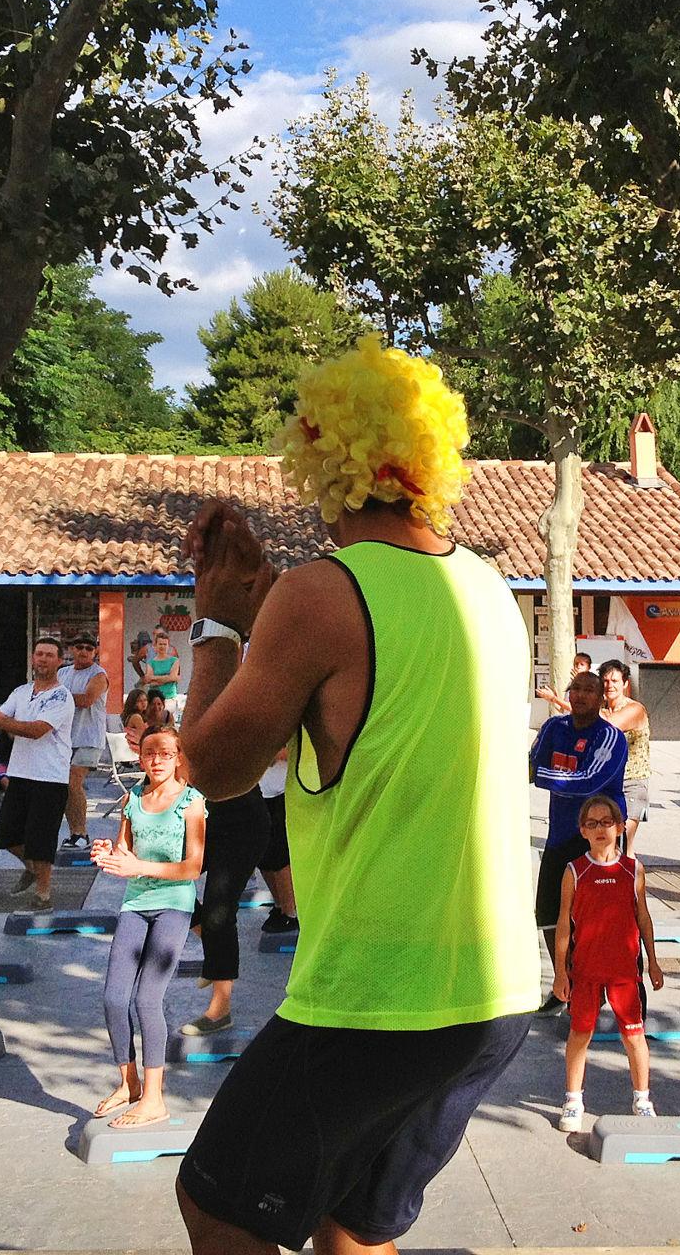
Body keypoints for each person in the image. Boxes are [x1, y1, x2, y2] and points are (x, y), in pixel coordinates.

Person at [171, 337, 536, 1255]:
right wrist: (265, 608)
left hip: (378, 994)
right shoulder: (487, 587)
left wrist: (215, 614)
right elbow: (365, 689)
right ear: (426, 465)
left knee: (218, 1208)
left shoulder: (319, 594)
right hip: (493, 992)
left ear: (319, 460)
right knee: (354, 1231)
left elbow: (211, 768)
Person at [91, 724, 206, 1123]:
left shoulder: (191, 803)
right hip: (135, 902)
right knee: (113, 998)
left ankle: (154, 1099)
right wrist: (108, 852)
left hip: (173, 904)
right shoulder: (132, 798)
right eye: (150, 753)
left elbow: (193, 867)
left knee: (146, 998)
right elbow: (124, 850)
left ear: (178, 758)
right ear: (140, 756)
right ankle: (130, 1083)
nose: (156, 760)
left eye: (165, 753)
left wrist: (138, 865)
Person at [552, 792, 662, 1131]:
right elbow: (563, 925)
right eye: (592, 823)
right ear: (583, 831)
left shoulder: (633, 870)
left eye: (607, 822)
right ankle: (573, 1100)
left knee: (634, 1036)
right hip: (585, 971)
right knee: (579, 1034)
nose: (600, 829)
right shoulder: (574, 871)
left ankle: (642, 1099)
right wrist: (560, 974)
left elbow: (643, 918)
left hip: (624, 973)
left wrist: (654, 962)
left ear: (619, 828)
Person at [529, 670, 627, 960]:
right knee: (549, 913)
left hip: (597, 840)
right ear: (568, 694)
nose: (582, 695)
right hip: (559, 836)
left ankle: (592, 984)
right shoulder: (553, 728)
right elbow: (531, 762)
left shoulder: (610, 737)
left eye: (589, 690)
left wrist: (541, 775)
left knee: (594, 918)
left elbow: (588, 781)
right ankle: (564, 982)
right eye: (576, 689)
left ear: (600, 698)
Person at [0, 638, 75, 909]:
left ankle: (43, 893)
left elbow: (36, 730)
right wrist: (3, 721)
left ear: (60, 661)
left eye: (49, 655)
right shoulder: (21, 691)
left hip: (50, 776)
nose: (43, 659)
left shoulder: (62, 696)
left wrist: (5, 722)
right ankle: (33, 869)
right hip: (20, 773)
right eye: (39, 654)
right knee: (5, 833)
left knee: (42, 837)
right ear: (32, 658)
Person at [184, 760, 267, 1037]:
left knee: (218, 914)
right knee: (162, 879)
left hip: (243, 824)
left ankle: (220, 1011)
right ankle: (216, 952)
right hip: (205, 818)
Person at [61, 633, 112, 850]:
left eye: (89, 648)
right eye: (79, 646)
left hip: (89, 737)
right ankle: (74, 834)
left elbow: (86, 700)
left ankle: (82, 834)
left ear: (95, 652)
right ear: (71, 649)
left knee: (74, 782)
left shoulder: (99, 674)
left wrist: (55, 696)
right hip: (63, 738)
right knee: (64, 787)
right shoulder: (62, 673)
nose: (83, 651)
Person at [598, 660, 653, 854]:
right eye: (605, 681)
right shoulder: (601, 709)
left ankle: (634, 883)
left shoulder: (635, 709)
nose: (609, 685)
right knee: (606, 844)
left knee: (623, 842)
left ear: (625, 684)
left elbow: (610, 725)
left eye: (614, 680)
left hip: (632, 781)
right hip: (606, 782)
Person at [255, 747, 298, 935]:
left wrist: (267, 753)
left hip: (283, 790)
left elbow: (298, 750)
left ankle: (291, 913)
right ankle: (279, 905)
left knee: (280, 855)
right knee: (262, 856)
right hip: (258, 790)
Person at [145, 628, 182, 705]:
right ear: (155, 645)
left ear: (168, 646)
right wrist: (168, 678)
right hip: (154, 699)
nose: (162, 646)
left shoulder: (174, 660)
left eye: (165, 644)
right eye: (160, 644)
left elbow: (173, 677)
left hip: (170, 697)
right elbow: (148, 679)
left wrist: (155, 679)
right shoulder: (151, 662)